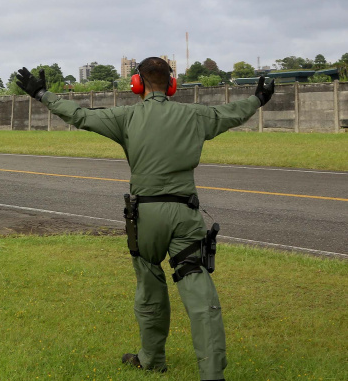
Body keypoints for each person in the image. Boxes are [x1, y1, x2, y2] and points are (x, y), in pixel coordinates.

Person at [15, 57, 275, 381]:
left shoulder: (126, 116)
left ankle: (151, 358)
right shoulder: (195, 116)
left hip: (146, 215)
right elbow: (233, 113)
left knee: (149, 285)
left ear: (137, 84)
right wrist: (258, 98)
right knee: (198, 288)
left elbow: (80, 115)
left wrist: (42, 94)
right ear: (172, 84)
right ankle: (211, 373)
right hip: (185, 214)